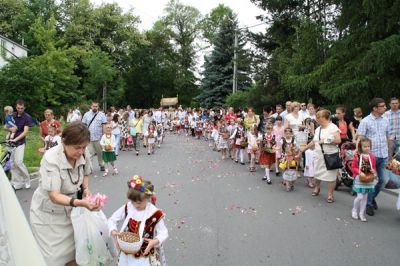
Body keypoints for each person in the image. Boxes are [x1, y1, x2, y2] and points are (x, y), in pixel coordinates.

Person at [30, 122, 101, 266]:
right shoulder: (51, 158)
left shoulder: (83, 151)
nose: (81, 151)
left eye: (84, 147)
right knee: (54, 259)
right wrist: (80, 203)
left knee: (78, 253)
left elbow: (86, 173)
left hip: (71, 212)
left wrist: (86, 190)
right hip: (48, 216)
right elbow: (54, 196)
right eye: (77, 148)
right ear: (64, 142)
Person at [108, 175, 168, 266]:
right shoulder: (128, 207)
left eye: (139, 202)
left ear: (148, 198)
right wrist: (114, 232)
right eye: (133, 201)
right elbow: (112, 219)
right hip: (126, 252)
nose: (135, 205)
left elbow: (163, 232)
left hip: (144, 255)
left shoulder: (155, 213)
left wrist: (153, 242)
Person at [357, 98, 390, 216]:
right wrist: (360, 155)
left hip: (383, 155)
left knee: (383, 180)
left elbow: (387, 137)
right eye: (383, 106)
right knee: (370, 181)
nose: (385, 107)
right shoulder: (365, 121)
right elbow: (360, 139)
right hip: (370, 157)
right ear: (375, 108)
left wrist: (390, 155)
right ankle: (368, 204)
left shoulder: (386, 120)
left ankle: (371, 198)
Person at [302, 109, 341, 203]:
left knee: (331, 176)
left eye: (318, 118)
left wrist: (325, 140)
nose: (317, 119)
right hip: (319, 155)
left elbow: (338, 140)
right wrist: (304, 149)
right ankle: (317, 188)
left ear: (324, 118)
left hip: (330, 156)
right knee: (317, 173)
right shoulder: (318, 129)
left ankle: (330, 194)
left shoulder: (333, 127)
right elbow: (313, 142)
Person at [7, 100, 33, 190]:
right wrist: (10, 132)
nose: (20, 110)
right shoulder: (12, 115)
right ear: (16, 107)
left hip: (20, 142)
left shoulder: (27, 117)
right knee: (12, 164)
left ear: (24, 108)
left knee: (19, 162)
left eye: (22, 108)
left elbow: (25, 132)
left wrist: (15, 139)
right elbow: (6, 127)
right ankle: (18, 182)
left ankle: (27, 180)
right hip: (10, 142)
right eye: (18, 108)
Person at [351, 137, 377, 222]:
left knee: (365, 198)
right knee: (360, 196)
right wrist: (359, 172)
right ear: (360, 147)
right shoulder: (357, 156)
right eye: (365, 146)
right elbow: (353, 167)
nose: (367, 148)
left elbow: (373, 167)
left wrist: (373, 170)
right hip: (359, 179)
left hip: (368, 179)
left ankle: (362, 213)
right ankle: (354, 210)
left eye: (368, 146)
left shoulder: (372, 156)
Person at [82, 101, 107, 171]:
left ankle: (101, 164)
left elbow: (104, 126)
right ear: (91, 106)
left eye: (96, 106)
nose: (95, 107)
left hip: (98, 137)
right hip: (89, 138)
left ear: (98, 107)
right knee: (89, 153)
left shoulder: (102, 115)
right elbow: (83, 125)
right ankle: (89, 167)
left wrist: (104, 136)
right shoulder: (86, 115)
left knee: (100, 153)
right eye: (93, 106)